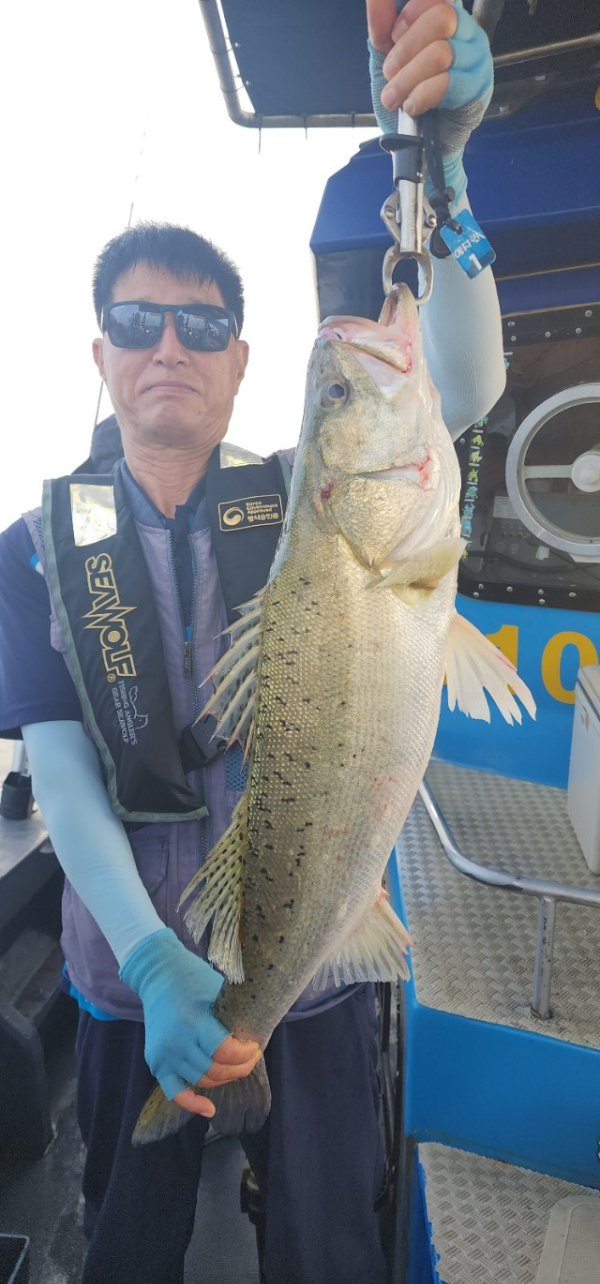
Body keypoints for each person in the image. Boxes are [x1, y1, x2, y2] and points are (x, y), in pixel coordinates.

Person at [0, 3, 504, 1281]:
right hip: (130, 980)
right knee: (127, 1238)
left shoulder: (306, 504)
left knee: (331, 1250)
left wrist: (442, 179)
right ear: (99, 356)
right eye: (136, 321)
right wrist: (163, 958)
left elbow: (465, 375)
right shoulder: (31, 547)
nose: (171, 346)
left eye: (205, 326)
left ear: (238, 369)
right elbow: (57, 767)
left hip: (320, 965)